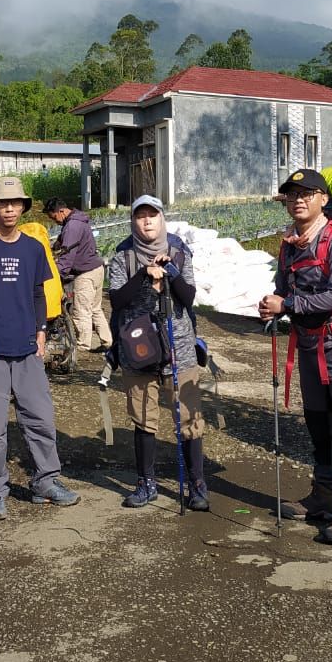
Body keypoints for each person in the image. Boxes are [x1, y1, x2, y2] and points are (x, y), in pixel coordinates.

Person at [0, 175, 80, 522]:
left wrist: (42, 331)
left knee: (40, 419)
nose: (9, 208)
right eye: (2, 203)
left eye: (15, 202)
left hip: (27, 349)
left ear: (23, 207)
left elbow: (40, 293)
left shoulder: (33, 247)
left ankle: (45, 482)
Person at [258, 168, 332, 545]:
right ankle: (323, 495)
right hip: (308, 343)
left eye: (307, 193)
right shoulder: (290, 244)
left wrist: (287, 303)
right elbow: (282, 287)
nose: (298, 200)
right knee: (318, 422)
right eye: (292, 195)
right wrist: (272, 305)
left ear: (323, 198)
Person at [107, 194, 208, 511]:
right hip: (137, 347)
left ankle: (197, 485)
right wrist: (143, 274)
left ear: (162, 218)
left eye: (153, 215)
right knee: (143, 417)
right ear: (133, 221)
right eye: (140, 216)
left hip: (179, 347)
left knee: (190, 418)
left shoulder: (178, 252)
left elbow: (189, 298)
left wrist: (171, 274)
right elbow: (118, 300)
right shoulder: (122, 255)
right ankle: (146, 483)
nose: (147, 221)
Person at [43, 197, 112, 352]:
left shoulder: (71, 226)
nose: (55, 221)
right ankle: (107, 341)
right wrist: (53, 247)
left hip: (85, 273)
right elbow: (63, 242)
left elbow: (67, 256)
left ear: (60, 211)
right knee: (95, 308)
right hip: (97, 269)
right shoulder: (78, 220)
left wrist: (55, 276)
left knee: (81, 311)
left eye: (54, 217)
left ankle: (82, 346)